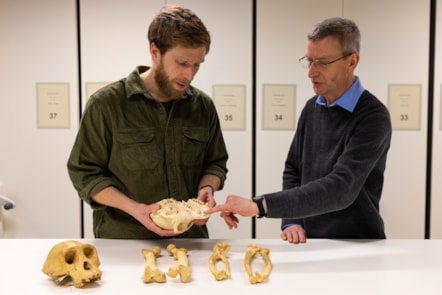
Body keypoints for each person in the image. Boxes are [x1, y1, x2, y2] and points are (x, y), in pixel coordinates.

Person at [206, 17, 392, 244]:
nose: (311, 72)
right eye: (309, 61)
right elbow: (294, 169)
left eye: (322, 62)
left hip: (358, 242)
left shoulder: (373, 116)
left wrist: (259, 205)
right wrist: (292, 220)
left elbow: (341, 188)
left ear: (352, 61)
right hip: (310, 241)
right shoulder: (311, 108)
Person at [67, 5, 228, 239]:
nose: (190, 75)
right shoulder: (106, 104)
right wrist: (136, 209)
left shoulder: (203, 106)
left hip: (190, 242)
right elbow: (85, 174)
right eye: (182, 63)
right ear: (155, 52)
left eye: (197, 65)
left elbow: (215, 163)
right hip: (125, 243)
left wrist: (207, 187)